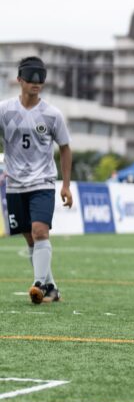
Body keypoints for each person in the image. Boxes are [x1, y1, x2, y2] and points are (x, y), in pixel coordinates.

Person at [0, 56, 73, 304]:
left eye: (41, 77)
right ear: (19, 79)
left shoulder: (52, 115)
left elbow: (65, 148)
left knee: (40, 231)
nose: (36, 82)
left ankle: (38, 284)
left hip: (42, 183)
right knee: (30, 238)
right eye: (31, 77)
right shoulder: (5, 110)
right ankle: (51, 288)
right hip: (14, 185)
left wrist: (65, 185)